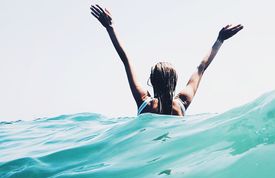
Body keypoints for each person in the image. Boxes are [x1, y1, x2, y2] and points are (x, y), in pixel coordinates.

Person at [90, 4, 243, 116]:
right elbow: (201, 68)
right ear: (175, 81)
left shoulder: (145, 103)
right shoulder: (181, 103)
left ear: (151, 80)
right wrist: (220, 40)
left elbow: (126, 60)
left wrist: (110, 28)